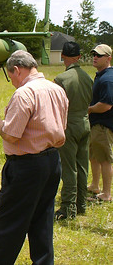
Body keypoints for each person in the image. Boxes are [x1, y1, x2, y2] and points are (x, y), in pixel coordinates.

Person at [0, 50, 68, 265]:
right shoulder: (56, 89)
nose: (12, 81)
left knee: (10, 224)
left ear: (17, 70)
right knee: (42, 220)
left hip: (26, 166)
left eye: (10, 76)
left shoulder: (24, 93)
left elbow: (12, 136)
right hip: (52, 161)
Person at [53, 42, 93, 220]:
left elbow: (56, 106)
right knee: (83, 166)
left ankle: (68, 208)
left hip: (69, 124)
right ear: (78, 56)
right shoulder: (87, 77)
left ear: (63, 56)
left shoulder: (61, 79)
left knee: (69, 168)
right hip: (85, 123)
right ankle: (81, 203)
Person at [87, 44, 113, 202]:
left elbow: (106, 105)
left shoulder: (108, 79)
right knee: (94, 156)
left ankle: (106, 194)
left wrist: (88, 109)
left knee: (105, 159)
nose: (95, 57)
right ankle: (95, 185)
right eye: (94, 54)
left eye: (99, 55)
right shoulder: (101, 75)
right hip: (96, 125)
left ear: (108, 58)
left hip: (103, 126)